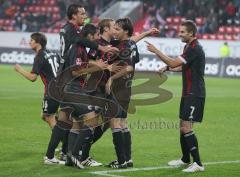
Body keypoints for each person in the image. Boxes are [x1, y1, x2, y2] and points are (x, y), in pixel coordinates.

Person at [146, 20, 206, 173]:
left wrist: (156, 51)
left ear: (191, 33)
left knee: (186, 128)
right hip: (188, 93)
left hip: (195, 93)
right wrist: (167, 68)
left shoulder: (195, 48)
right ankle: (185, 159)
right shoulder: (189, 46)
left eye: (182, 32)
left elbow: (174, 63)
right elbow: (181, 67)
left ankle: (198, 163)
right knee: (182, 127)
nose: (179, 34)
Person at [15, 32, 62, 164]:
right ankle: (64, 145)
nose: (29, 42)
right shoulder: (52, 53)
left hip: (52, 91)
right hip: (60, 88)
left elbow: (32, 77)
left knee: (50, 118)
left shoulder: (40, 56)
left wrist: (19, 69)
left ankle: (58, 151)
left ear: (38, 42)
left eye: (31, 40)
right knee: (45, 116)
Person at [104, 17, 140, 169]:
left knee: (115, 123)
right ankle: (127, 159)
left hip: (119, 88)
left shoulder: (124, 45)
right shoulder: (131, 44)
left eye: (118, 29)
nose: (115, 32)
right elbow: (135, 61)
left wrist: (111, 79)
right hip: (127, 87)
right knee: (123, 122)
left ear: (126, 31)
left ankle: (121, 161)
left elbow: (129, 67)